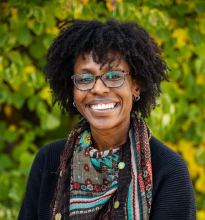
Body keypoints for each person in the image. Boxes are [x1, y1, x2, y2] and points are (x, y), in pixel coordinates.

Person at [18, 19, 196, 220]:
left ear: (135, 85)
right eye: (85, 79)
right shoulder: (49, 161)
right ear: (73, 91)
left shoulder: (168, 169)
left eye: (113, 76)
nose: (98, 88)